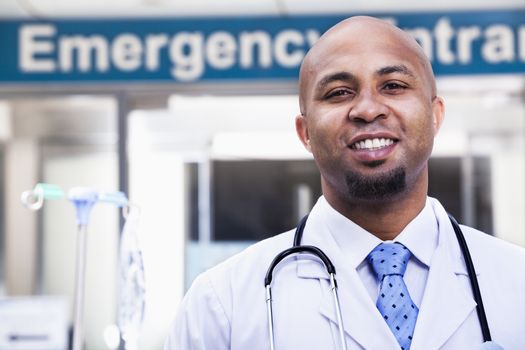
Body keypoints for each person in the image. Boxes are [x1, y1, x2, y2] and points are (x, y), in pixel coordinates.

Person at [165, 16, 525, 350]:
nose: (368, 110)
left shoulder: (516, 280)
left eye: (394, 86)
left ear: (435, 116)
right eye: (338, 92)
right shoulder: (222, 305)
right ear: (305, 132)